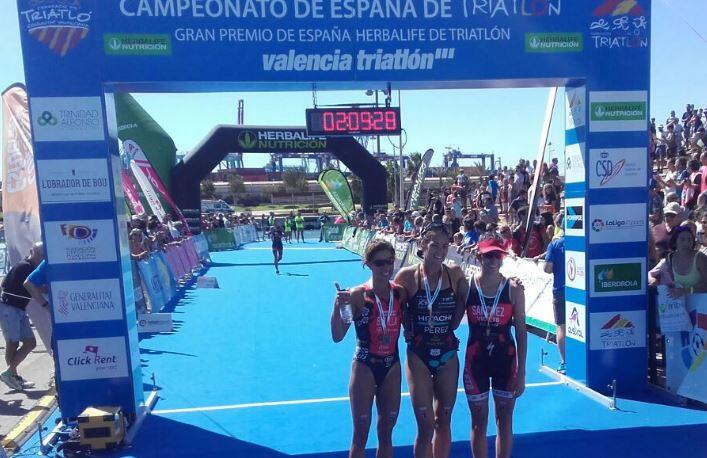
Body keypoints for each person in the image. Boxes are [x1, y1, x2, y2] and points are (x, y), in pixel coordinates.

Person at [394, 223, 466, 458]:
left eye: (445, 246)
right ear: (423, 245)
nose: (440, 251)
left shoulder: (454, 273)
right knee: (425, 426)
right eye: (435, 245)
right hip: (419, 355)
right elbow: (390, 303)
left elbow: (480, 290)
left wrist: (512, 282)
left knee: (444, 420)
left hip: (447, 353)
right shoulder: (407, 276)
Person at [330, 240, 406, 458]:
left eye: (390, 262)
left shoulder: (400, 293)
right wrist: (338, 307)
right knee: (361, 434)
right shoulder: (356, 295)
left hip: (392, 366)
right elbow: (337, 336)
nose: (386, 268)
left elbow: (411, 328)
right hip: (365, 365)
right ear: (368, 264)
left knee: (386, 433)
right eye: (379, 263)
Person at [463, 238, 527, 458]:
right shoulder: (467, 286)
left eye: (497, 256)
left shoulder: (514, 288)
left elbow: (520, 332)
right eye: (488, 255)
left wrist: (522, 372)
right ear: (479, 256)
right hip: (475, 363)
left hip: (505, 362)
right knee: (479, 422)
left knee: (504, 419)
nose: (493, 260)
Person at [0, 242, 44, 390]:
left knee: (30, 342)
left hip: (18, 308)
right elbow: (36, 287)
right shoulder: (26, 267)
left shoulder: (28, 265)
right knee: (12, 343)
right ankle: (12, 375)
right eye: (41, 255)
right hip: (9, 308)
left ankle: (10, 373)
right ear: (36, 253)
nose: (42, 259)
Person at [649, 226, 707, 295]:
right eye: (682, 240)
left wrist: (686, 290)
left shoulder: (700, 257)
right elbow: (675, 283)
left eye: (689, 240)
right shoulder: (669, 258)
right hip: (681, 303)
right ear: (675, 241)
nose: (686, 243)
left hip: (702, 303)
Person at [543, 233, 566, 373]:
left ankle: (565, 362)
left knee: (562, 327)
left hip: (560, 290)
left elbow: (547, 268)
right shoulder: (583, 240)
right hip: (581, 291)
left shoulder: (555, 244)